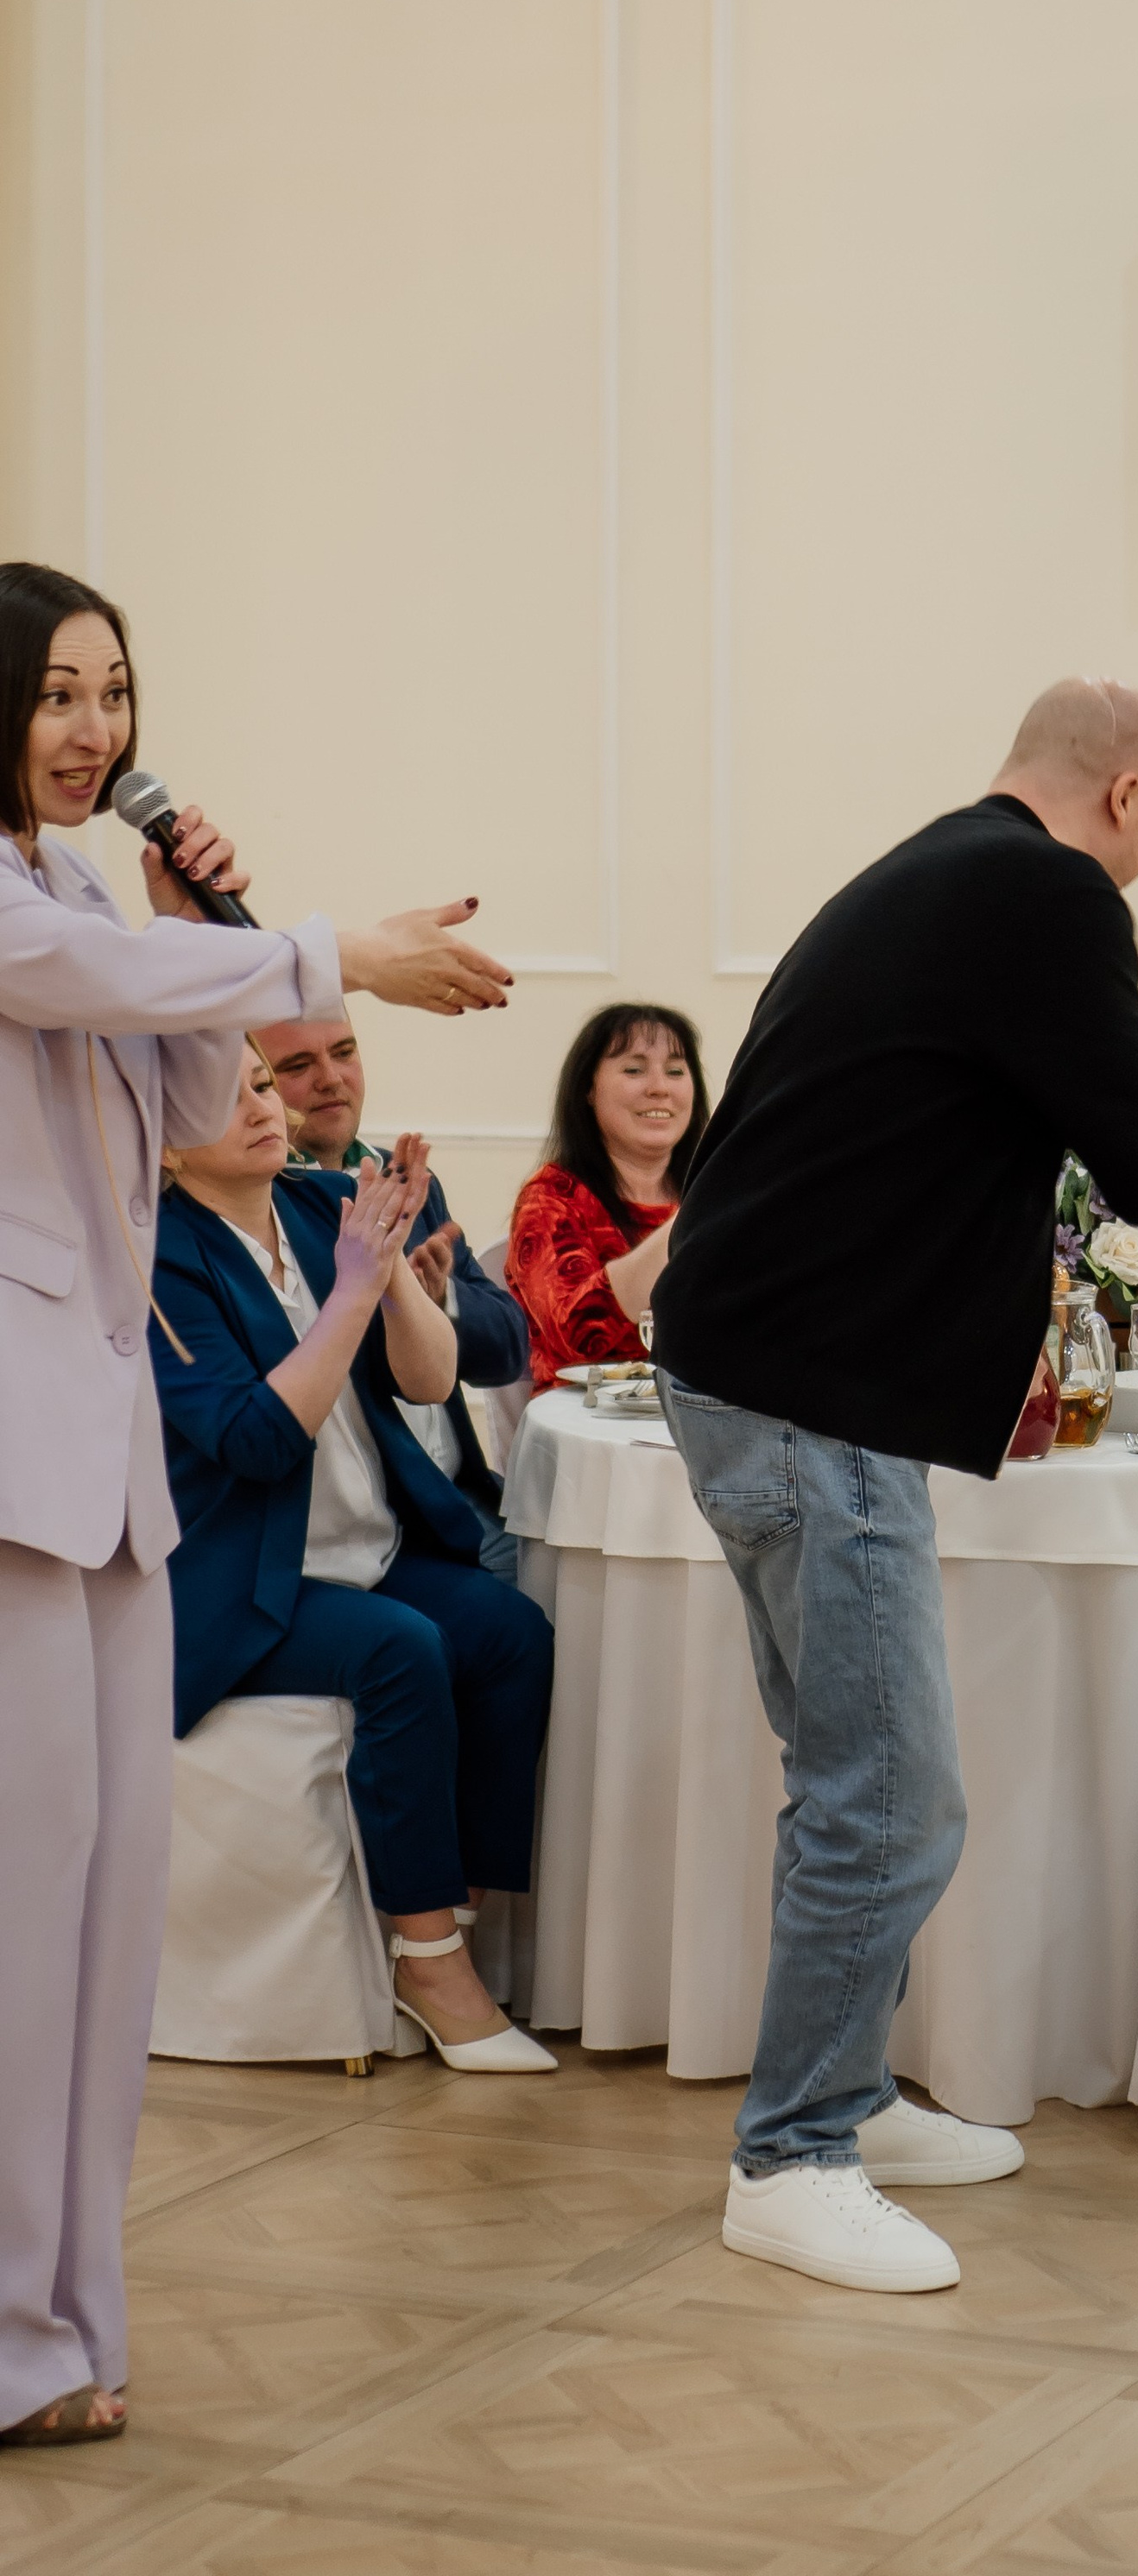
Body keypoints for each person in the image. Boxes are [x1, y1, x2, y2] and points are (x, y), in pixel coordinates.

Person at [653, 677, 1138, 2295]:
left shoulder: (933, 871)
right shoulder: (1043, 888)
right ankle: (793, 2153)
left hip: (759, 1368)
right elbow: (1133, 1120)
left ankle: (850, 2101)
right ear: (1132, 794)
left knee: (848, 1775)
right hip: (810, 1392)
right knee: (894, 1798)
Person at [0, 559, 510, 2451]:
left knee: (98, 1915)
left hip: (96, 1468)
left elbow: (208, 1082)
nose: (94, 731)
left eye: (115, 693)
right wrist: (323, 949)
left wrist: (196, 904)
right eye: (56, 693)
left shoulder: (82, 894)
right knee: (19, 1913)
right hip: (12, 1452)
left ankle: (59, 2326)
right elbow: (95, 992)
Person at [153, 1047, 556, 2070]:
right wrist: (349, 1294)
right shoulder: (156, 1253)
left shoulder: (324, 1200)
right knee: (401, 1652)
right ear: (161, 1135)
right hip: (240, 1580)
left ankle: (449, 1918)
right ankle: (430, 1961)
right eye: (232, 1091)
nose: (265, 1102)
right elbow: (252, 1440)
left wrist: (395, 1288)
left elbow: (431, 1383)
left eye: (259, 1080)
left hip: (365, 1546)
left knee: (510, 1633)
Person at [258, 1014, 531, 1577]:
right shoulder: (259, 1211)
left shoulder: (400, 1180)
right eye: (298, 1065)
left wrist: (440, 1301)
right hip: (366, 1528)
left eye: (344, 1051)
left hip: (461, 1497)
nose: (332, 1078)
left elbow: (508, 1349)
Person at [505, 1004, 706, 1389]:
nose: (659, 1088)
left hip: (704, 1422)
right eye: (634, 1070)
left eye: (676, 1071)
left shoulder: (703, 1190)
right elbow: (582, 1337)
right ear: (589, 1090)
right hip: (589, 1425)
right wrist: (697, 1216)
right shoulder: (551, 1198)